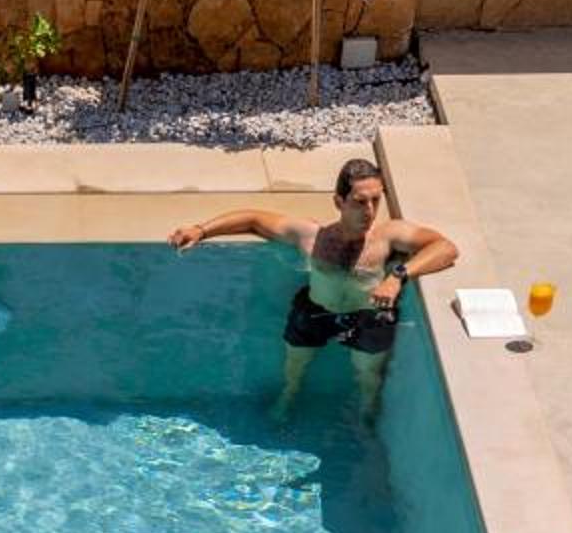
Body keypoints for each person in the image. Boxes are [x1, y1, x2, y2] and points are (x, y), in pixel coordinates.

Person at [170, 158, 458, 421]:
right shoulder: (311, 236)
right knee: (294, 365)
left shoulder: (389, 235)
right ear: (339, 201)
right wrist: (201, 230)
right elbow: (253, 220)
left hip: (368, 315)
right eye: (359, 202)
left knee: (368, 374)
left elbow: (445, 248)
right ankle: (289, 395)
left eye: (375, 200)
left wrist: (397, 276)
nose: (369, 211)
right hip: (317, 312)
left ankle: (367, 409)